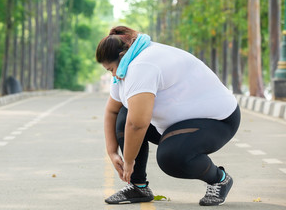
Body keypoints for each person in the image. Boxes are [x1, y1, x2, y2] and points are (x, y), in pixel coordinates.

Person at [95, 26, 241, 206]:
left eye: (111, 69)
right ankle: (138, 187)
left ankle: (220, 179)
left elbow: (137, 125)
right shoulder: (126, 66)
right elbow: (112, 111)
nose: (113, 75)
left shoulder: (142, 65)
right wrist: (111, 152)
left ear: (121, 57)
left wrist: (129, 162)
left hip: (218, 120)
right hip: (175, 123)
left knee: (171, 157)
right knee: (125, 114)